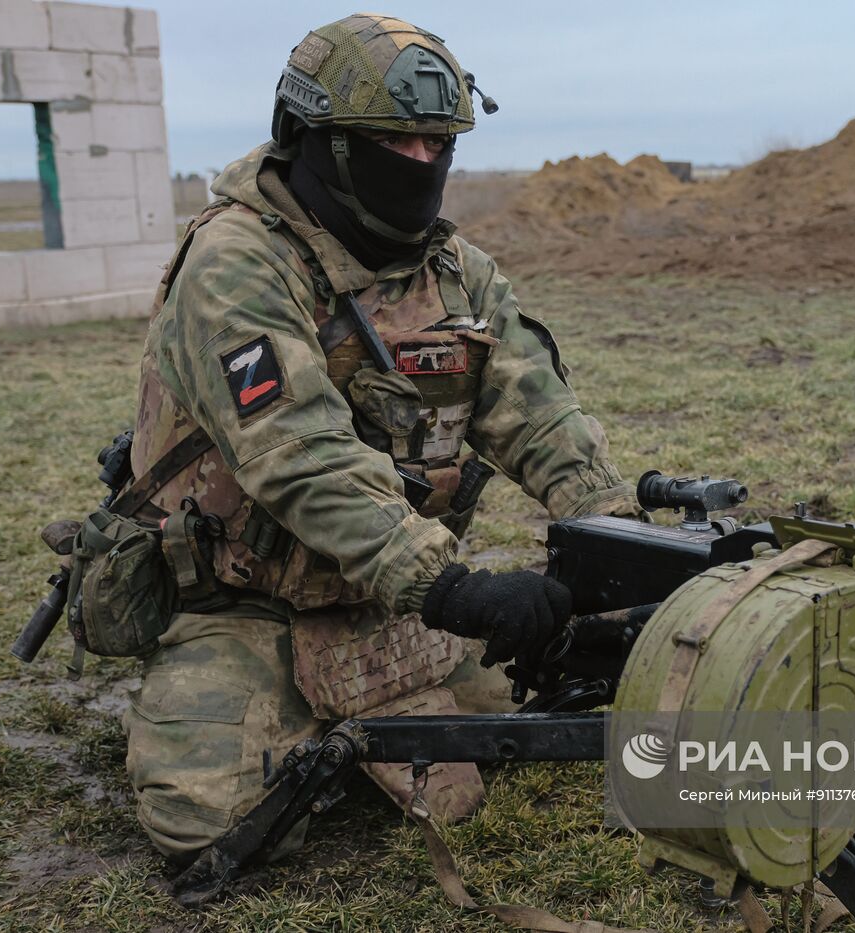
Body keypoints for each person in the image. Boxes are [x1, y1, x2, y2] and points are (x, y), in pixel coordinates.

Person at [121, 13, 639, 865]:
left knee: (554, 696)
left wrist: (617, 534)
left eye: (441, 143)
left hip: (390, 602)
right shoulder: (236, 263)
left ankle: (378, 707)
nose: (423, 162)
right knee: (209, 824)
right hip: (249, 602)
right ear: (315, 140)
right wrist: (453, 589)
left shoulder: (457, 273)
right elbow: (300, 453)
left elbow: (541, 414)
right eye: (398, 142)